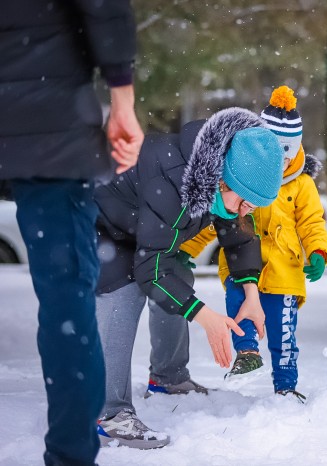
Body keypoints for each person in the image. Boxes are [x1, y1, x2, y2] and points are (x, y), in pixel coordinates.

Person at [0, 2, 143, 465]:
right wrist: (122, 97)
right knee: (67, 297)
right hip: (47, 119)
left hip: (41, 114)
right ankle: (71, 456)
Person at [93, 107, 284, 449]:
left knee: (177, 272)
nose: (246, 212)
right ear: (223, 180)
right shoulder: (174, 179)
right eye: (244, 202)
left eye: (253, 207)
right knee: (124, 288)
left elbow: (238, 237)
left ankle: (168, 378)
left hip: (140, 229)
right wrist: (205, 316)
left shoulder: (220, 177)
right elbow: (150, 268)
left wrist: (252, 295)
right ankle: (108, 413)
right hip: (96, 223)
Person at [220, 86, 327, 402]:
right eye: (271, 156)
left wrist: (319, 252)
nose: (277, 165)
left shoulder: (302, 184)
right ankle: (247, 353)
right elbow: (219, 214)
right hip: (242, 265)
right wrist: (186, 248)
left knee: (284, 336)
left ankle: (286, 385)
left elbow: (312, 222)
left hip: (285, 270)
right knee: (238, 305)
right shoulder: (241, 173)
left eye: (284, 158)